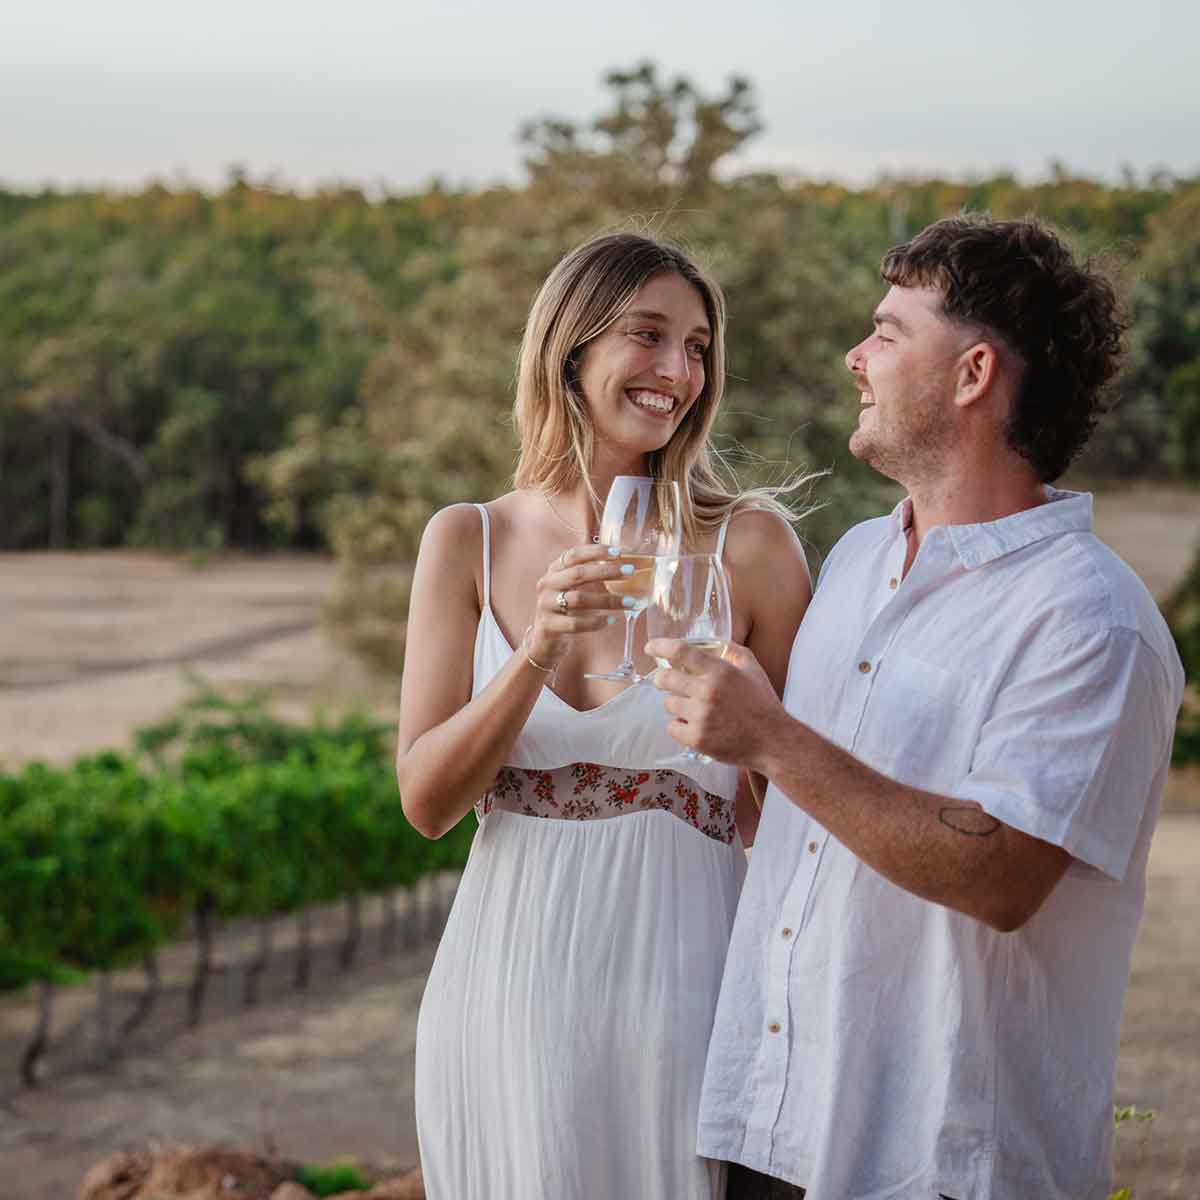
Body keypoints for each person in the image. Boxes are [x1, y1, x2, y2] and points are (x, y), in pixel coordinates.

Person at [649, 214, 1186, 1200]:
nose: (857, 357)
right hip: (772, 1125)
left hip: (937, 1160)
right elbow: (801, 822)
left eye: (889, 332)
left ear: (973, 375)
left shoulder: (1090, 621)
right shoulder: (854, 560)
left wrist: (768, 735)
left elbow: (1001, 874)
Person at [397, 232, 811, 1200]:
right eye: (649, 335)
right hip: (502, 985)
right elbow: (425, 801)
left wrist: (749, 730)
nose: (679, 371)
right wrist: (537, 649)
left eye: (700, 346)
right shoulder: (468, 539)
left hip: (684, 979)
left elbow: (799, 807)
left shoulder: (748, 546)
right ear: (571, 347)